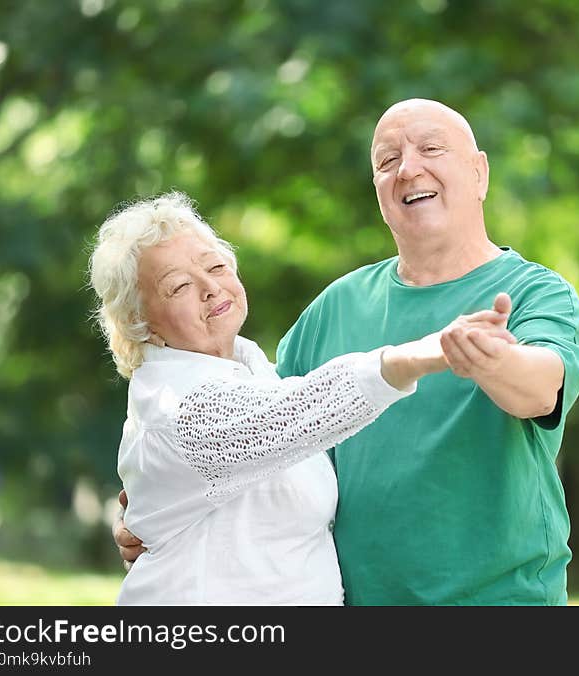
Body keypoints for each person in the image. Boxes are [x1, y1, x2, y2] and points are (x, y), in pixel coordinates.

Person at [116, 98, 579, 605]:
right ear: (379, 193)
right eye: (388, 161)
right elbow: (260, 432)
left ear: (479, 173)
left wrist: (492, 359)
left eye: (431, 148)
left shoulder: (534, 291)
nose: (409, 168)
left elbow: (543, 389)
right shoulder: (335, 307)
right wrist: (143, 509)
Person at [91, 190, 516, 605]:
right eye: (179, 286)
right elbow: (292, 414)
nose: (209, 287)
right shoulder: (174, 409)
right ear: (140, 323)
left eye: (216, 266)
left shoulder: (260, 373)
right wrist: (417, 355)